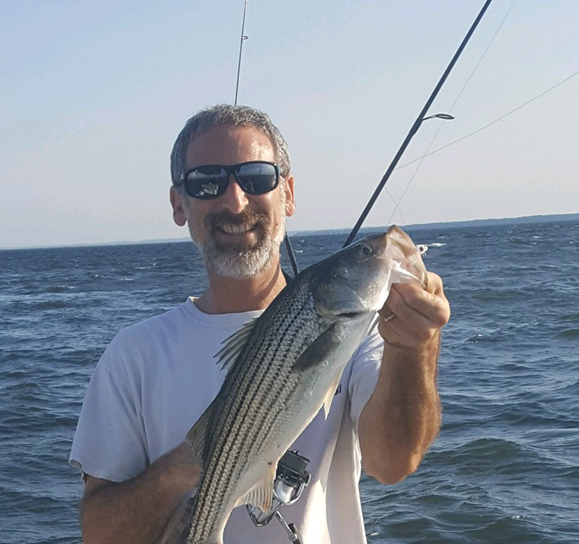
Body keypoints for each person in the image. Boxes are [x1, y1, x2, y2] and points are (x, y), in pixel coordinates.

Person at [69, 104, 450, 544]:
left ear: (287, 193)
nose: (234, 201)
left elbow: (393, 463)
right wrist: (187, 466)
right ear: (179, 203)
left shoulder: (369, 333)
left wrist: (414, 346)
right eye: (207, 182)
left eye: (256, 178)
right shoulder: (133, 354)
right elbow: (101, 536)